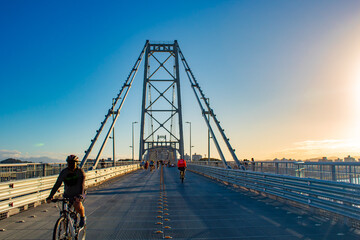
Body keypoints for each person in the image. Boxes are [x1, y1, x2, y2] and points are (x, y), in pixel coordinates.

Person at [46, 155, 86, 228]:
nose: (71, 165)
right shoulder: (64, 172)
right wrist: (51, 196)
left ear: (76, 163)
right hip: (67, 194)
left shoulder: (80, 172)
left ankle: (83, 217)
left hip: (79, 193)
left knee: (77, 205)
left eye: (73, 163)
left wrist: (80, 195)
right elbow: (57, 184)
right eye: (69, 163)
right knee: (65, 213)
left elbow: (82, 185)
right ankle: (66, 232)